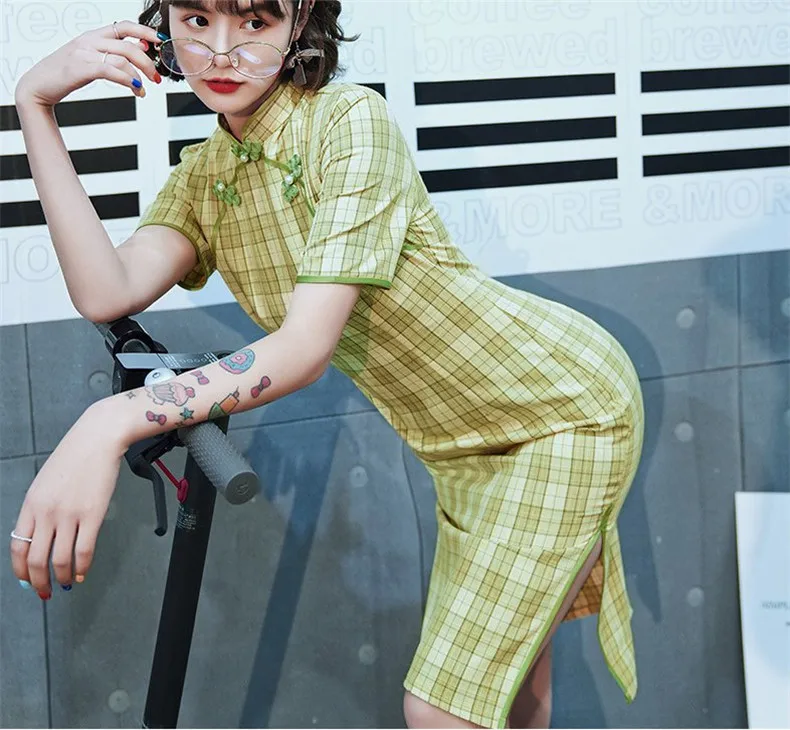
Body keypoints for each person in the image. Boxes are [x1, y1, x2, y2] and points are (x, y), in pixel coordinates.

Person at [9, 1, 645, 727]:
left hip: (558, 413)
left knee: (441, 710)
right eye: (197, 20)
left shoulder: (348, 123)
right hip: (460, 450)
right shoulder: (208, 177)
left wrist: (113, 420)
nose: (222, 51)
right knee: (510, 695)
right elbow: (107, 290)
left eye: (255, 21)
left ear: (299, 18)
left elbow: (304, 349)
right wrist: (36, 104)